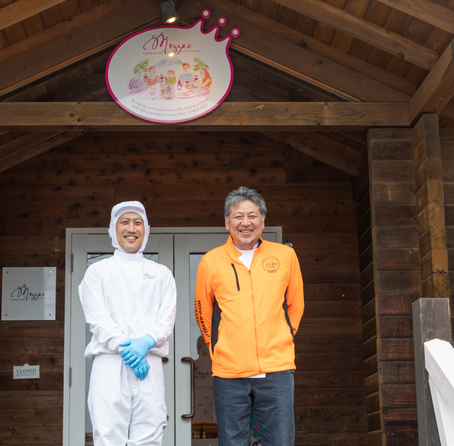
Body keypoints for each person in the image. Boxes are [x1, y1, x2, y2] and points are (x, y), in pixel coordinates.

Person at [194, 186, 304, 446]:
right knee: (232, 442)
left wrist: (283, 337)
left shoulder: (285, 256)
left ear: (263, 221)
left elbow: (296, 305)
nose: (246, 223)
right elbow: (202, 311)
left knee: (280, 441)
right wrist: (216, 348)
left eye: (252, 216)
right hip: (229, 373)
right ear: (226, 223)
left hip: (276, 369)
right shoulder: (210, 261)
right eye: (238, 216)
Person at [79, 201, 177, 446]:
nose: (131, 228)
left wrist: (146, 342)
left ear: (146, 229)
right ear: (113, 229)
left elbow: (167, 317)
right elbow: (97, 317)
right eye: (124, 222)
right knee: (108, 435)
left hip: (150, 363)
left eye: (138, 222)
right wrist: (125, 346)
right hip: (110, 363)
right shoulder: (97, 272)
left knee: (150, 435)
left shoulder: (162, 274)